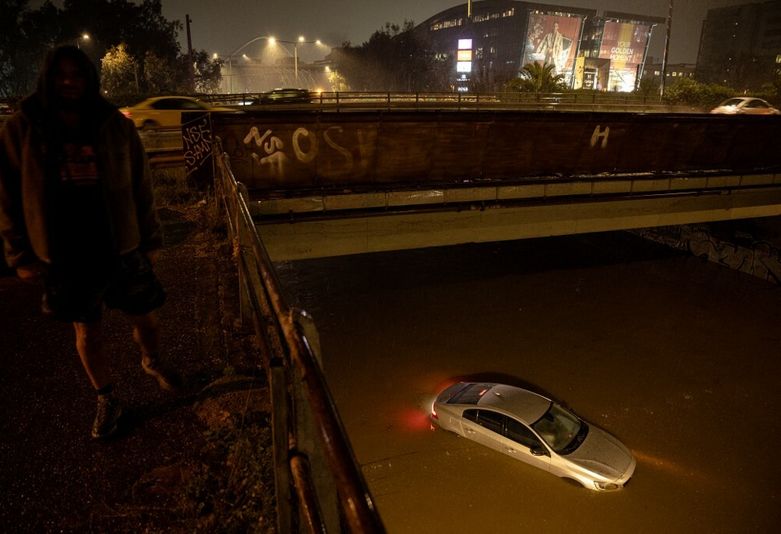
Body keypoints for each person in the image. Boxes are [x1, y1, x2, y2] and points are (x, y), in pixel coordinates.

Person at [0, 45, 179, 440]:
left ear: (89, 79)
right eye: (61, 74)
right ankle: (106, 398)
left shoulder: (113, 123)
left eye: (76, 74)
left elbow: (141, 184)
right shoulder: (23, 128)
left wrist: (150, 238)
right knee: (87, 332)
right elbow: (8, 194)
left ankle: (152, 359)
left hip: (121, 244)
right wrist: (19, 254)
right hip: (66, 254)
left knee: (147, 317)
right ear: (48, 78)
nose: (69, 82)